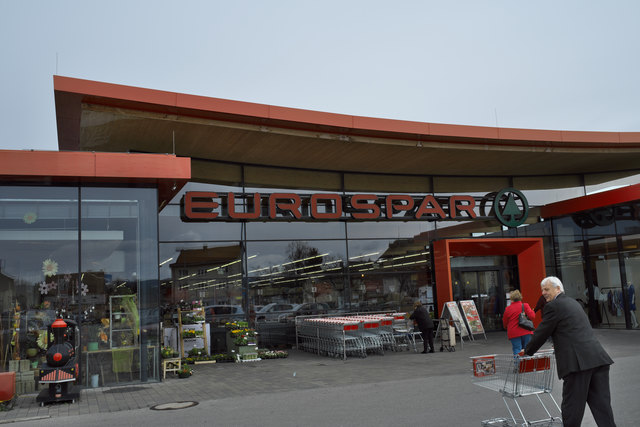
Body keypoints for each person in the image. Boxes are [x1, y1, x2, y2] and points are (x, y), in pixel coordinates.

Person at [522, 276, 616, 427]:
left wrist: (527, 351)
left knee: (572, 409)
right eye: (542, 290)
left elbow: (542, 332)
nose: (543, 293)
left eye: (547, 289)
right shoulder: (573, 302)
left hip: (578, 364)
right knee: (602, 407)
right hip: (598, 359)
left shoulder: (553, 306)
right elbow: (572, 328)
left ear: (558, 289)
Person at [502, 290, 535, 355]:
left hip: (513, 332)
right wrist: (532, 311)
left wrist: (505, 327)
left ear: (511, 299)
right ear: (520, 297)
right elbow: (532, 316)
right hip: (526, 330)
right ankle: (527, 361)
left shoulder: (508, 309)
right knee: (527, 349)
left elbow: (505, 321)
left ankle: (518, 361)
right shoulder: (525, 305)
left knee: (517, 349)